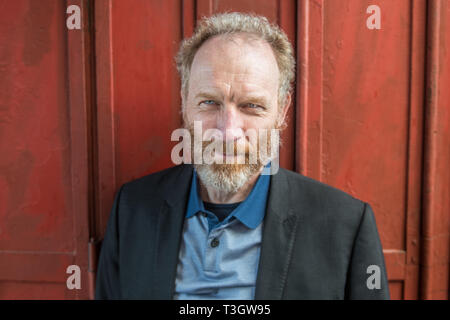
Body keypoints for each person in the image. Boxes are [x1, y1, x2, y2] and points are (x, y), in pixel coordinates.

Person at [95, 12, 390, 300]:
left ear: (282, 111)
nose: (228, 131)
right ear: (185, 101)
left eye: (251, 106)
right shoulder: (132, 209)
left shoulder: (345, 225)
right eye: (209, 102)